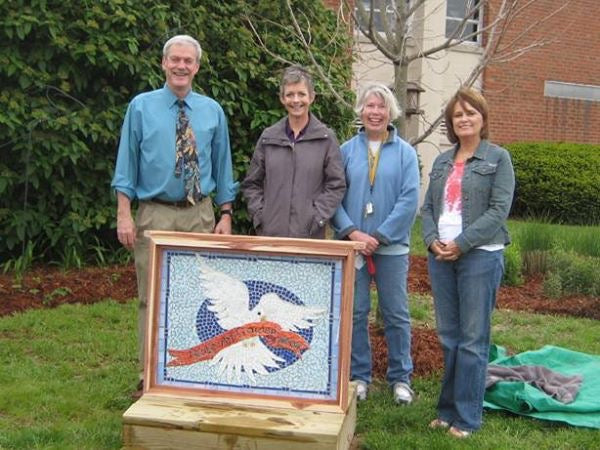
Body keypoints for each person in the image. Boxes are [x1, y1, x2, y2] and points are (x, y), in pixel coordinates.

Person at [111, 35, 238, 396]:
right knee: (151, 296)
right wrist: (124, 214)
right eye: (175, 60)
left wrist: (225, 213)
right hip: (156, 215)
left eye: (188, 61)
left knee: (199, 295)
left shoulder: (212, 110)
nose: (182, 66)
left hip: (200, 214)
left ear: (197, 67)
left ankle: (191, 371)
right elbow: (127, 164)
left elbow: (225, 165)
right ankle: (148, 372)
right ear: (164, 64)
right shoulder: (141, 107)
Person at [421, 87, 515, 438]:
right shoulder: (443, 161)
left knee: (473, 339)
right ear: (451, 122)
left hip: (480, 256)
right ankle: (446, 411)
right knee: (449, 337)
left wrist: (460, 244)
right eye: (458, 115)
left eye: (470, 113)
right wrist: (432, 242)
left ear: (482, 118)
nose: (464, 119)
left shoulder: (498, 158)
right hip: (441, 257)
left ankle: (467, 418)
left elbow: (498, 212)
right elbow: (428, 208)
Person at [332, 83, 420, 404]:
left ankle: (400, 379)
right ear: (361, 110)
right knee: (355, 313)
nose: (375, 112)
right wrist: (353, 233)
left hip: (391, 249)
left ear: (390, 112)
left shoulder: (406, 153)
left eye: (381, 107)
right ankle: (359, 376)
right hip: (353, 247)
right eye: (369, 106)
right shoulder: (345, 151)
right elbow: (333, 197)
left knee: (395, 313)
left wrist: (380, 236)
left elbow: (409, 200)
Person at [241, 66, 345, 238]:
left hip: (310, 237)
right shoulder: (269, 137)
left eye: (301, 94)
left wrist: (317, 218)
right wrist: (261, 216)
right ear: (282, 99)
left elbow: (336, 185)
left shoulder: (326, 138)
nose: (296, 100)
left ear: (311, 97)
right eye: (290, 94)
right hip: (271, 236)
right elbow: (252, 183)